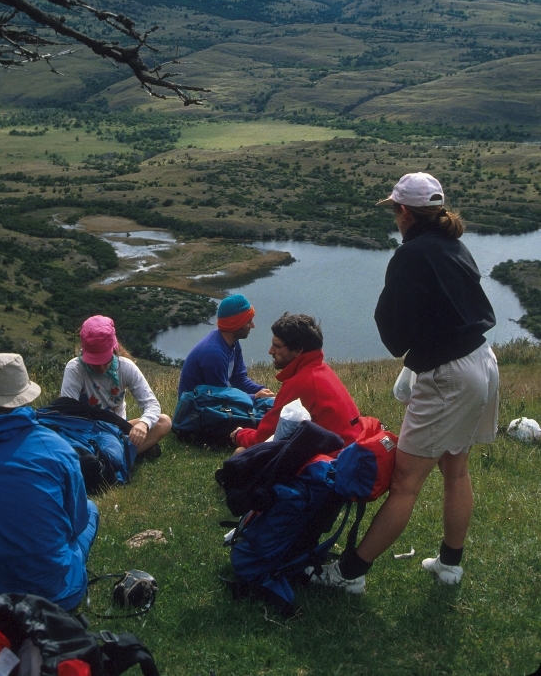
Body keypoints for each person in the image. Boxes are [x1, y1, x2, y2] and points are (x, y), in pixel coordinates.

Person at [309, 172, 498, 594]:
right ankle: (450, 565)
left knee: (404, 483)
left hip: (449, 373)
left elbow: (393, 334)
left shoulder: (411, 255)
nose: (395, 217)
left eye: (395, 209)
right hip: (482, 361)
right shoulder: (454, 245)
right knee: (456, 468)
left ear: (405, 212)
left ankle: (349, 573)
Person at [0, 353, 98, 620]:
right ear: (25, 398)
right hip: (52, 595)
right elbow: (77, 522)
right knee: (90, 509)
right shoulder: (56, 447)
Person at [230, 313, 362, 451]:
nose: (271, 351)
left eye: (277, 346)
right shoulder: (320, 370)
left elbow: (261, 439)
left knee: (242, 452)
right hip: (350, 453)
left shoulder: (302, 382)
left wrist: (240, 434)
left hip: (336, 462)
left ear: (298, 350)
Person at [61, 315, 171, 456]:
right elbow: (67, 413)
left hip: (117, 428)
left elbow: (151, 404)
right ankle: (128, 452)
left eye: (104, 359)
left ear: (114, 349)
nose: (100, 366)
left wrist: (143, 424)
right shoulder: (75, 369)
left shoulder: (125, 367)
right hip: (85, 431)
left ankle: (112, 456)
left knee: (164, 421)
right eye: (94, 361)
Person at [177, 294, 274, 400]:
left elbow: (239, 379)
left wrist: (262, 392)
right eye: (248, 321)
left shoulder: (232, 342)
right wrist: (254, 397)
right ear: (236, 324)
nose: (253, 325)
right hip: (196, 411)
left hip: (211, 405)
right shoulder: (213, 353)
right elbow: (220, 397)